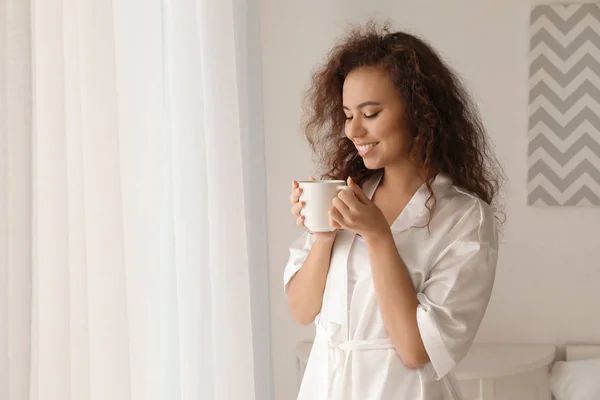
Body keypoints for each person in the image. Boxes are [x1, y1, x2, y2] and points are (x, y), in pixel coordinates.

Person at [283, 21, 505, 400]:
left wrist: (378, 236)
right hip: (327, 386)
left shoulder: (466, 219)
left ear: (420, 111)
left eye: (370, 114)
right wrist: (323, 236)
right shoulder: (349, 195)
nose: (354, 131)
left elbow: (417, 350)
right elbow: (302, 311)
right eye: (348, 115)